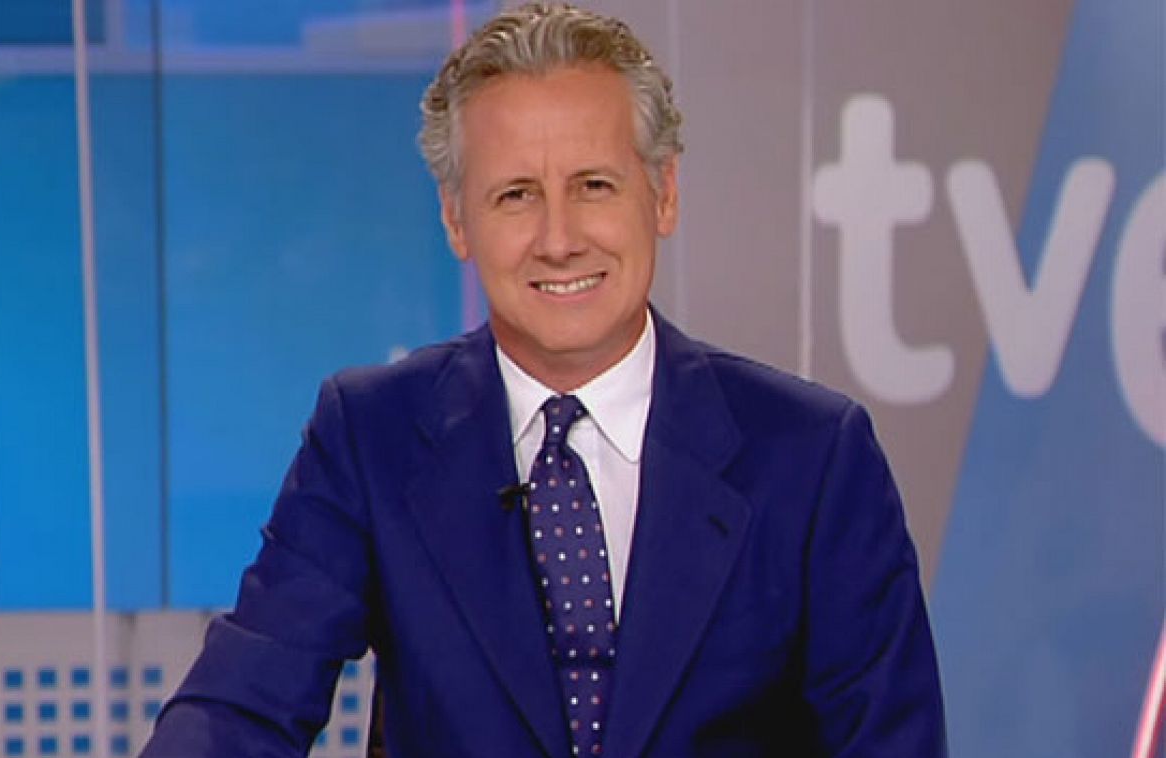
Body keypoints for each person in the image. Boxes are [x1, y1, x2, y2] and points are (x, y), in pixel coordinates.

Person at [141, 3, 946, 756]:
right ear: (456, 219)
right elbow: (241, 704)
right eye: (516, 195)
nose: (559, 239)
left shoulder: (813, 458)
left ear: (663, 194)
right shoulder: (369, 435)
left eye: (594, 186)